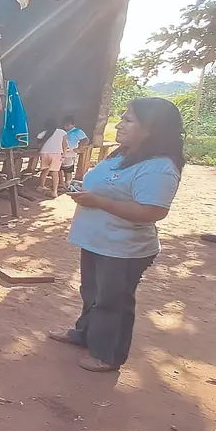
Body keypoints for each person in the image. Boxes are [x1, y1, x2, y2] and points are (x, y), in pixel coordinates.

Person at [49, 98, 183, 372]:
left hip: (123, 248)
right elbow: (109, 187)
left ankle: (108, 355)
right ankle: (84, 335)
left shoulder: (159, 167)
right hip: (98, 241)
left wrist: (98, 201)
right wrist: (85, 190)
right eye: (122, 118)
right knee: (92, 293)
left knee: (114, 301)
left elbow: (152, 211)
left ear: (152, 128)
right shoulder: (123, 154)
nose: (120, 124)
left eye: (128, 120)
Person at [36, 118, 69, 197]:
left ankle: (41, 186)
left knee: (44, 170)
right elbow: (65, 144)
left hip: (44, 153)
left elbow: (39, 145)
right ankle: (54, 192)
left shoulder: (42, 133)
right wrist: (64, 155)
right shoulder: (62, 132)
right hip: (56, 154)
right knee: (55, 172)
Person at [61, 115, 91, 186]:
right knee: (61, 168)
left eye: (67, 125)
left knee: (68, 168)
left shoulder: (77, 131)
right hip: (62, 152)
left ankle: (68, 183)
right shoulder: (63, 131)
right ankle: (61, 183)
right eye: (64, 125)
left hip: (70, 152)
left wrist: (79, 148)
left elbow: (85, 140)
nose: (65, 127)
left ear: (73, 125)